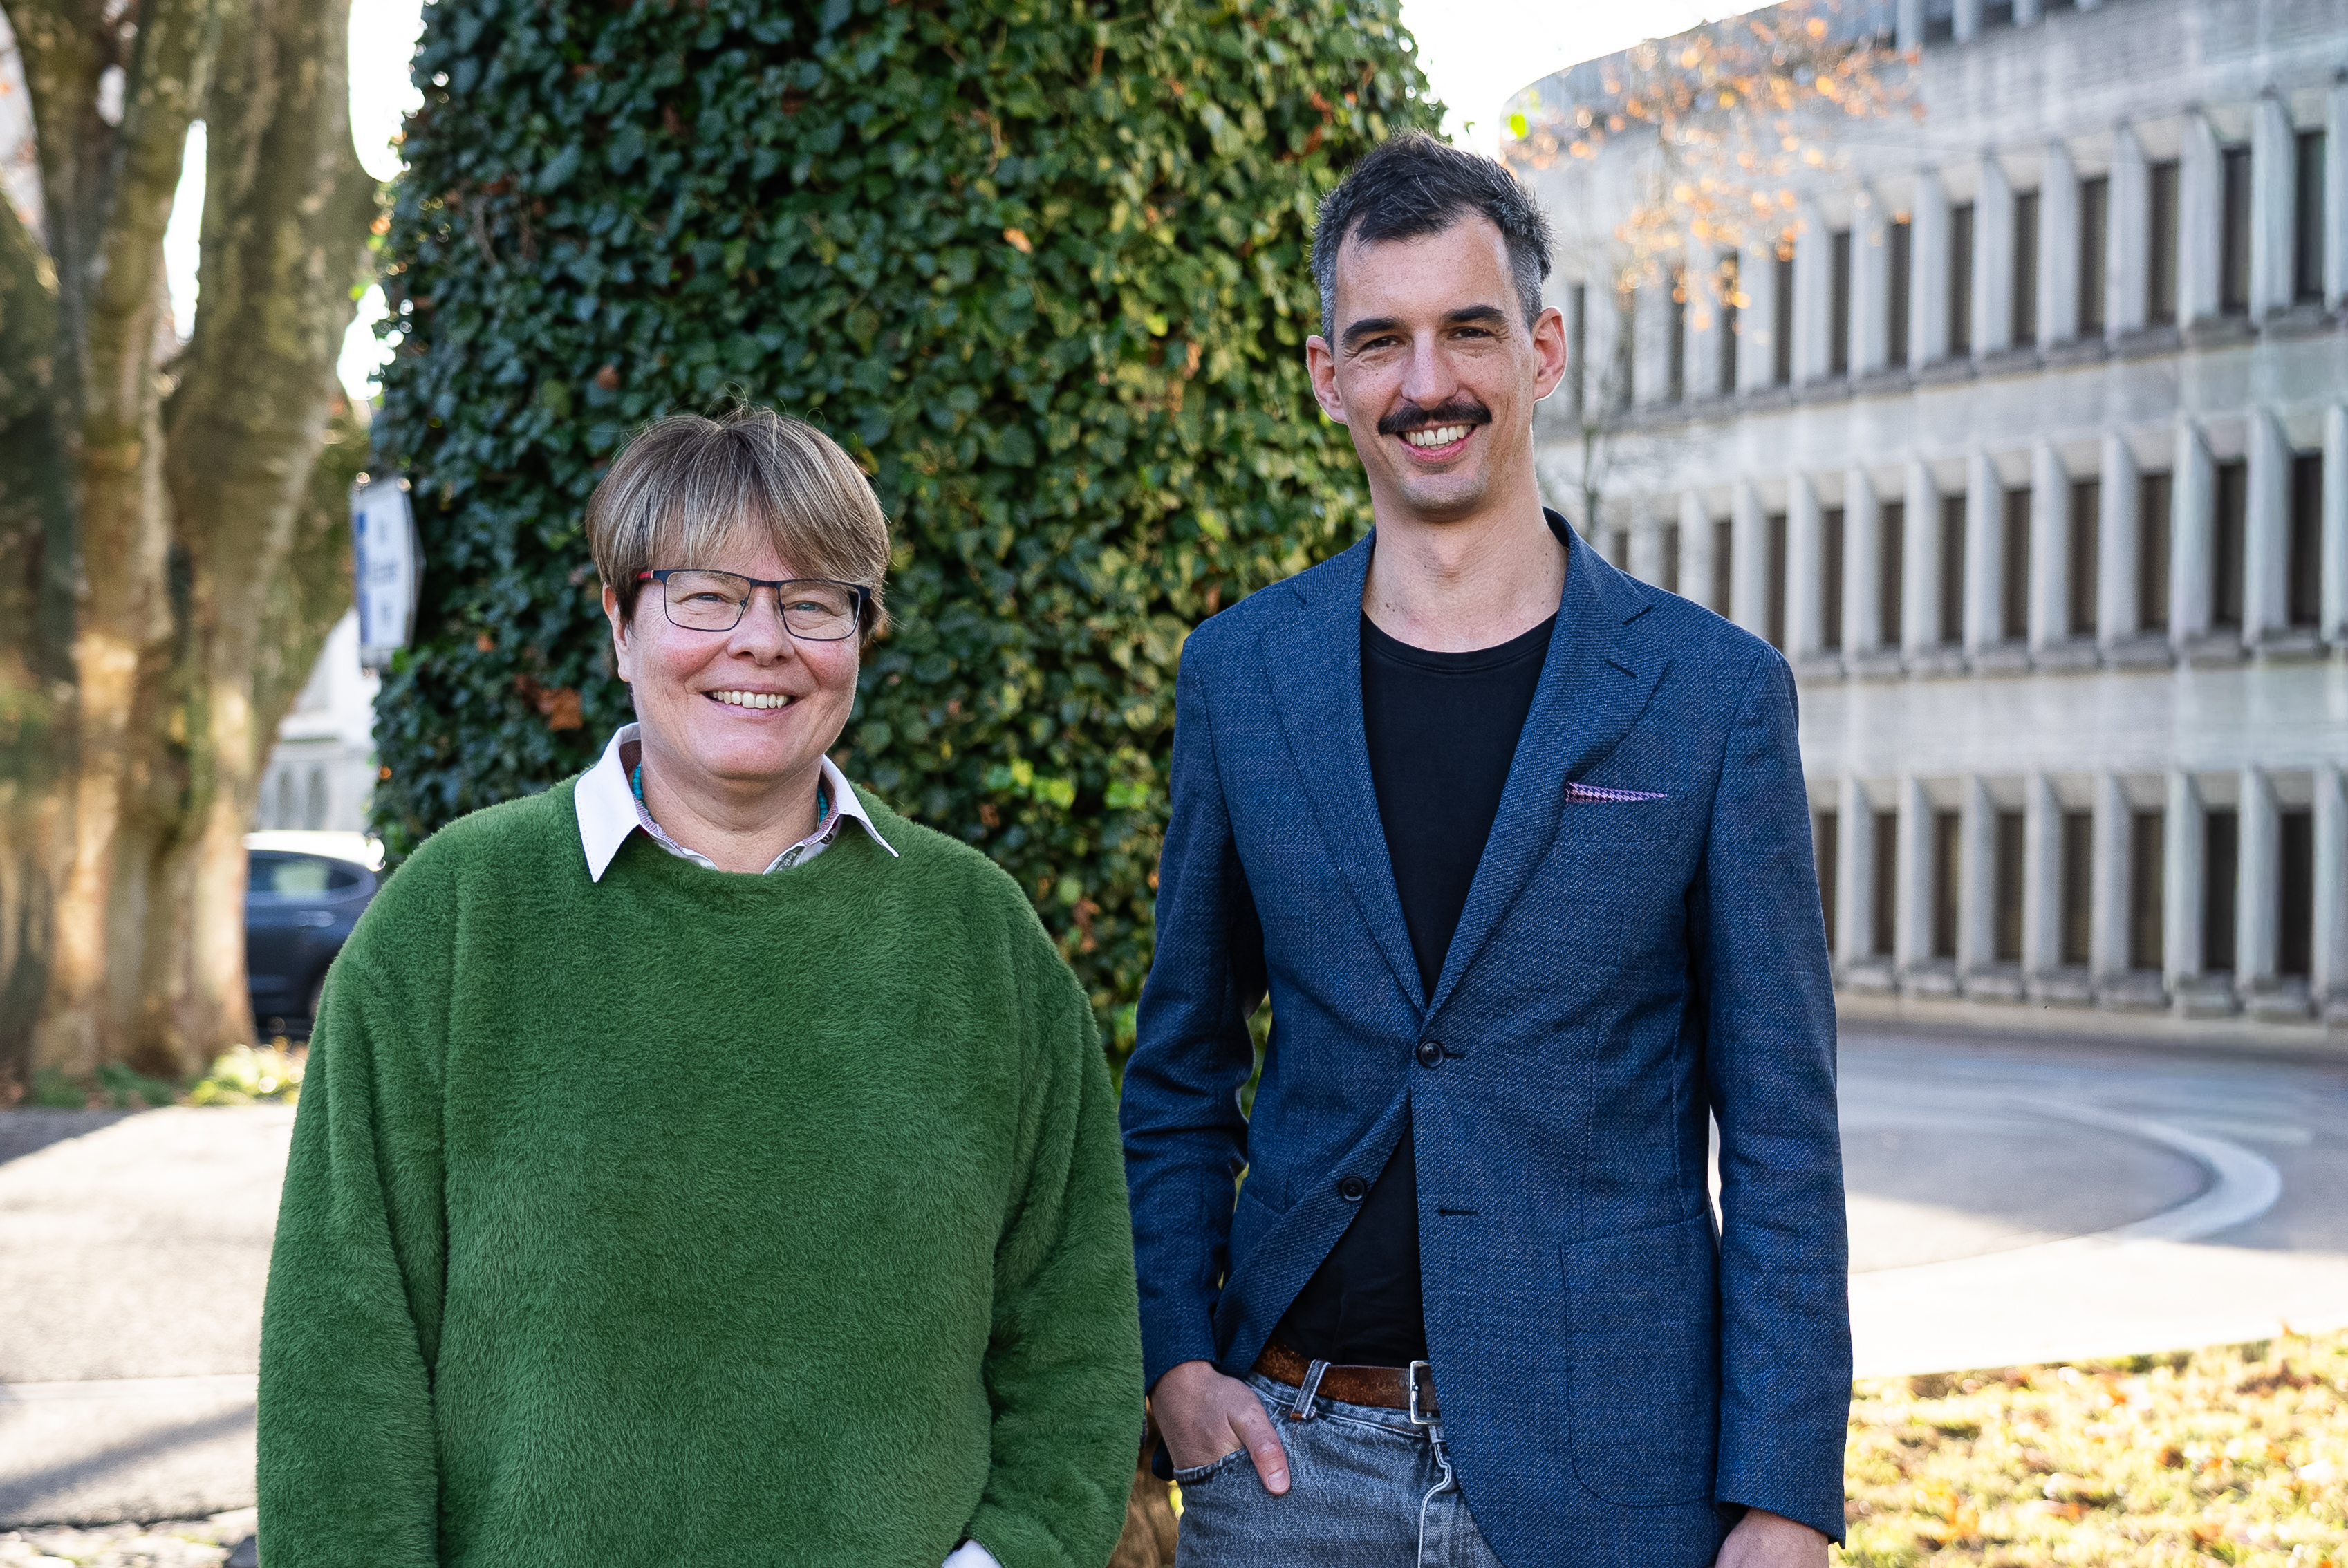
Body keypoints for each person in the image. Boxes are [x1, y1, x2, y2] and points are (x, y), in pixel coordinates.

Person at [1120, 133, 1850, 1568]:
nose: (1428, 383)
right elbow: (1182, 1066)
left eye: (1469, 330)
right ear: (1329, 378)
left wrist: (1785, 1494)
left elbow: (1779, 1131)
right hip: (1290, 1465)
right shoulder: (1242, 677)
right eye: (1380, 342)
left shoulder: (1710, 696)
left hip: (1612, 1481)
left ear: (1544, 348)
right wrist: (1173, 1366)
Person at [259, 407, 1143, 1568]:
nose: (763, 641)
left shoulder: (979, 937)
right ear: (621, 622)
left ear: (860, 636)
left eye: (815, 600)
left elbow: (1074, 1332)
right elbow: (341, 1357)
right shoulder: (455, 921)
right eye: (708, 597)